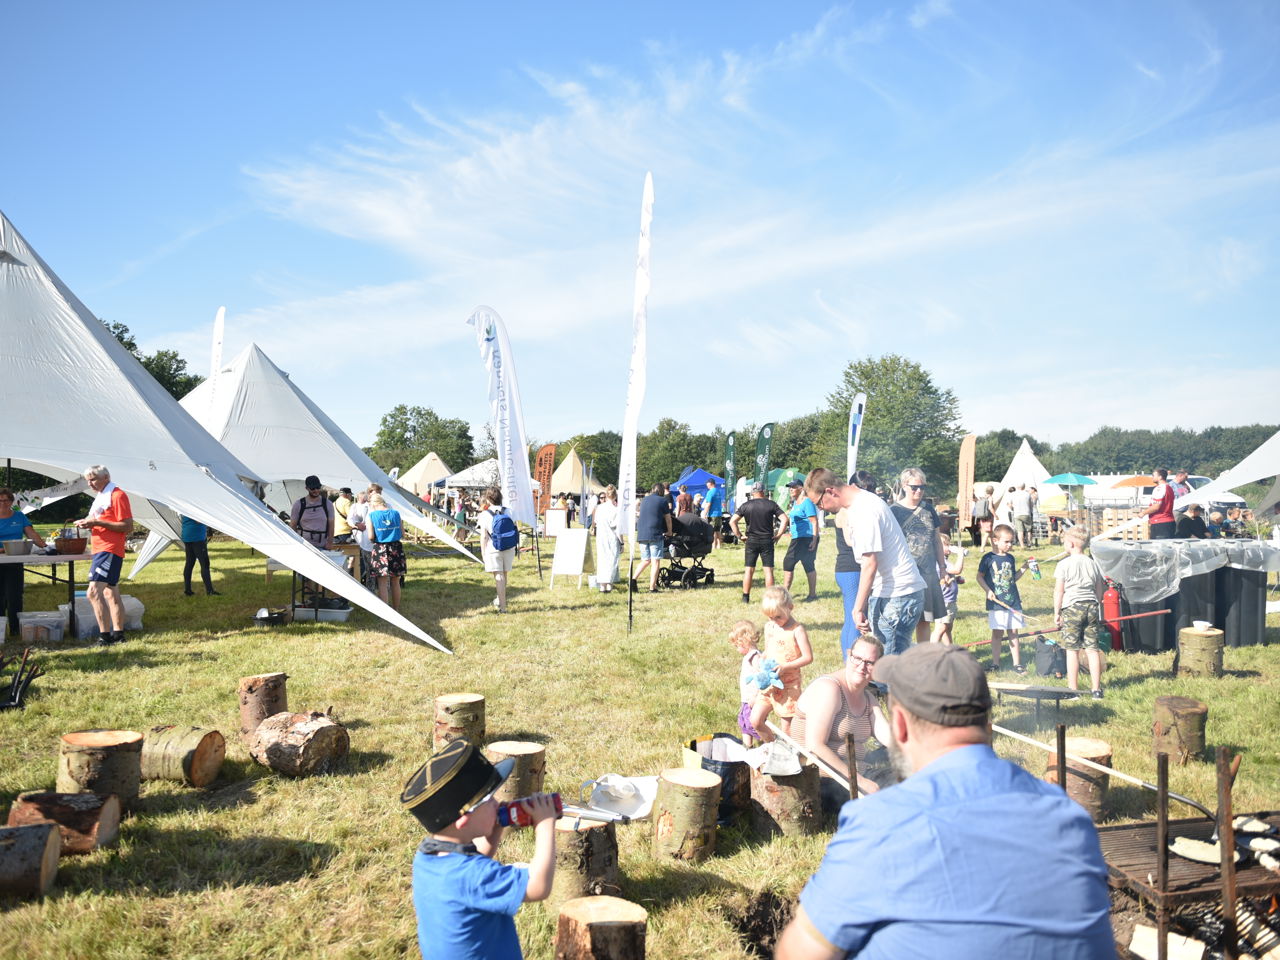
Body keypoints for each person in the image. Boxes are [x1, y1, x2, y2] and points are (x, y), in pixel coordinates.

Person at [775, 644, 1114, 959]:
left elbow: (799, 953)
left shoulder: (879, 823)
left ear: (902, 728)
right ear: (987, 722)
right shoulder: (1070, 819)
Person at [402, 738, 559, 960]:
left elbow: (475, 861)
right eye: (489, 799)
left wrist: (494, 831)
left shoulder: (428, 856)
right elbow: (537, 887)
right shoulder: (471, 875)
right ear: (464, 820)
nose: (497, 802)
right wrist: (544, 824)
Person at [805, 468, 924, 657]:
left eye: (818, 503)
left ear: (830, 491)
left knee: (884, 669)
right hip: (896, 593)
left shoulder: (863, 510)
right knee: (891, 664)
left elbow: (869, 564)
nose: (820, 508)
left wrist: (858, 608)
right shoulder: (861, 503)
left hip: (897, 595)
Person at [791, 636, 894, 814]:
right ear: (848, 655)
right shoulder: (829, 689)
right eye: (857, 659)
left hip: (858, 773)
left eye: (870, 662)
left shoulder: (868, 698)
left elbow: (891, 739)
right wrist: (860, 782)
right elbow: (814, 746)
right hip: (824, 781)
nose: (862, 667)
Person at [73, 465, 134, 645]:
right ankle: (118, 635)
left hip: (109, 549)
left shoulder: (117, 495)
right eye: (88, 480)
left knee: (93, 592)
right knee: (110, 592)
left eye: (93, 479)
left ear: (106, 477)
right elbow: (100, 521)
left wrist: (97, 522)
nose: (90, 484)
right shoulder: (102, 496)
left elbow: (127, 526)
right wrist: (88, 523)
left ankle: (104, 637)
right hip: (101, 548)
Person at [889, 468, 948, 646]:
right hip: (904, 574)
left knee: (925, 618)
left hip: (928, 572)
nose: (919, 491)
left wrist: (943, 568)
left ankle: (923, 657)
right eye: (915, 487)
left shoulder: (928, 509)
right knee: (902, 618)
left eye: (923, 487)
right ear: (904, 486)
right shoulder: (894, 511)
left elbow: (937, 541)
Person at [749, 586, 813, 742]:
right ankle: (773, 747)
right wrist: (761, 660)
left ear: (790, 608)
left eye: (778, 617)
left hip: (789, 686)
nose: (774, 621)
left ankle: (789, 754)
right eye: (770, 617)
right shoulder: (770, 626)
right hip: (769, 684)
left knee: (787, 730)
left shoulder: (796, 630)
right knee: (755, 720)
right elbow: (768, 650)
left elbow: (808, 657)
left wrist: (785, 667)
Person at [1054, 526, 1106, 699]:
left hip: (1072, 608)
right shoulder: (1093, 563)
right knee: (1092, 649)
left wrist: (1057, 612)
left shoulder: (1064, 564)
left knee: (1072, 650)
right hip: (1091, 606)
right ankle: (1096, 690)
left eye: (1064, 542)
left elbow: (1059, 591)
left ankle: (1073, 691)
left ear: (1071, 543)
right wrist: (1097, 603)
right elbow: (1100, 587)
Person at [976, 524, 1030, 673]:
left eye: (1011, 542)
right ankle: (995, 663)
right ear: (995, 540)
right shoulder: (988, 558)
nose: (1009, 545)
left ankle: (1017, 664)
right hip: (997, 603)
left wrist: (1024, 568)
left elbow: (1013, 578)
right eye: (1006, 542)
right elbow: (979, 577)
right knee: (998, 633)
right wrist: (988, 591)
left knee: (1013, 632)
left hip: (1013, 601)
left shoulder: (1010, 558)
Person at [0, 488, 49, 639]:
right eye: (0, 500)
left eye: (6, 500)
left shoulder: (20, 516)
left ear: (12, 502)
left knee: (15, 596)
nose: (3, 503)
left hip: (15, 561)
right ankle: (1, 630)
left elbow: (31, 533)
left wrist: (44, 546)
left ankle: (15, 629)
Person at [731, 481, 787, 605]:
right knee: (768, 571)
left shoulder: (746, 505)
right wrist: (778, 535)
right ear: (764, 491)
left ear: (752, 492)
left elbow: (732, 521)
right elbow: (784, 519)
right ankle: (770, 599)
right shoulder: (771, 504)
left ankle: (745, 598)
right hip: (767, 540)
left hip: (751, 540)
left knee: (749, 570)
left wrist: (740, 536)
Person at [478, 486, 517, 613]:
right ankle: (500, 601)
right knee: (504, 574)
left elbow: (484, 536)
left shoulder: (485, 514)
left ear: (488, 499)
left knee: (498, 576)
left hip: (493, 547)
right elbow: (515, 528)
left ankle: (503, 607)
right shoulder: (509, 511)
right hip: (509, 546)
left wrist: (483, 553)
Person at [782, 480, 820, 602]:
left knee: (791, 562)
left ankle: (786, 594)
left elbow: (814, 521)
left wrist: (814, 540)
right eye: (790, 487)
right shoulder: (795, 503)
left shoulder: (807, 502)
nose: (791, 489)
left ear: (801, 488)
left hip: (806, 537)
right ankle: (808, 594)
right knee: (799, 563)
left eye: (793, 487)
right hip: (798, 537)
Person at [367, 493, 406, 611]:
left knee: (382, 583)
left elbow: (370, 536)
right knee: (396, 581)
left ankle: (386, 612)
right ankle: (396, 609)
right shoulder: (396, 513)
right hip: (396, 548)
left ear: (372, 504)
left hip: (380, 549)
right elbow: (403, 533)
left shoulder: (372, 515)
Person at [831, 511, 862, 659]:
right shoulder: (845, 512)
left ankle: (849, 658)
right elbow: (850, 540)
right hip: (851, 569)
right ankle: (850, 660)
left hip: (849, 569)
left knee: (852, 618)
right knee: (855, 617)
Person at [728, 619, 764, 742]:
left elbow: (763, 678)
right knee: (743, 722)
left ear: (745, 641)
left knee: (752, 724)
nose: (737, 649)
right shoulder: (748, 656)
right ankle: (747, 747)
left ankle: (768, 742)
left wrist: (757, 697)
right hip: (746, 699)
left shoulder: (755, 657)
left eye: (737, 645)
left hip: (753, 699)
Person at [633, 483, 672, 593]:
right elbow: (668, 519)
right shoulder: (663, 501)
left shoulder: (644, 500)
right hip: (655, 533)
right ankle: (652, 587)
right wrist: (669, 532)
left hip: (642, 533)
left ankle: (633, 579)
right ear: (661, 491)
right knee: (655, 561)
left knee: (646, 560)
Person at [930, 533, 965, 645]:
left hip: (949, 600)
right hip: (943, 601)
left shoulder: (944, 561)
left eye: (949, 544)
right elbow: (956, 569)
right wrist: (960, 554)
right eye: (945, 545)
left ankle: (949, 651)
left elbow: (949, 576)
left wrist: (955, 580)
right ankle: (928, 653)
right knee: (940, 628)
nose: (949, 547)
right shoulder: (941, 562)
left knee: (947, 628)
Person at [179, 515, 219, 597]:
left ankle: (188, 590)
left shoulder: (184, 505)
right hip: (197, 538)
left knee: (189, 563)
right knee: (204, 564)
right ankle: (210, 591)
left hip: (187, 536)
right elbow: (199, 519)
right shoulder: (193, 506)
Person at [290, 475, 334, 550]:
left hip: (322, 546)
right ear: (307, 488)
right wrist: (295, 543)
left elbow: (331, 525)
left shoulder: (328, 504)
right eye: (313, 488)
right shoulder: (298, 504)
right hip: (304, 546)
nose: (316, 490)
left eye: (318, 487)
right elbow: (293, 526)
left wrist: (330, 542)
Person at [592, 485, 621, 593]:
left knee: (602, 560)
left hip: (601, 537)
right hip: (612, 537)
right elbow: (618, 528)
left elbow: (596, 522)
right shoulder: (616, 509)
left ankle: (602, 585)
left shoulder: (600, 508)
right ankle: (609, 583)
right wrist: (622, 542)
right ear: (615, 496)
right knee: (612, 561)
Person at [348, 490, 373, 586]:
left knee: (366, 561)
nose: (364, 500)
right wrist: (357, 524)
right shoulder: (354, 506)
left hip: (368, 538)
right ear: (358, 498)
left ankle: (365, 580)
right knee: (356, 559)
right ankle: (354, 578)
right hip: (358, 536)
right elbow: (350, 519)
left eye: (365, 498)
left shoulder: (369, 506)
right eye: (362, 498)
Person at [1145, 467, 1176, 540]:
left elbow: (1156, 507)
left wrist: (1143, 513)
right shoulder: (1169, 487)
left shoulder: (1160, 488)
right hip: (1168, 521)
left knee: (1158, 547)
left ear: (1160, 477)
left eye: (1153, 475)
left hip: (1160, 521)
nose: (1152, 477)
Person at [702, 478, 725, 549]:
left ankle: (714, 546)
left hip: (713, 514)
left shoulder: (710, 492)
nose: (707, 486)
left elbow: (708, 504)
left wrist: (704, 513)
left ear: (710, 483)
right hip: (719, 513)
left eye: (707, 485)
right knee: (718, 530)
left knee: (713, 531)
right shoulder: (718, 491)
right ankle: (719, 545)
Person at [971, 484, 995, 548]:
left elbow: (975, 499)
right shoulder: (990, 498)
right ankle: (982, 547)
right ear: (992, 491)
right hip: (988, 517)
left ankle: (994, 546)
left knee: (990, 533)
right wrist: (995, 515)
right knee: (987, 533)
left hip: (981, 517)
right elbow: (990, 508)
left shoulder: (982, 498)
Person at [1009, 483, 1033, 548]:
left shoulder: (1013, 494)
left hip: (1017, 514)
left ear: (1017, 487)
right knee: (1028, 530)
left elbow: (1010, 505)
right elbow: (1031, 505)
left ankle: (1022, 545)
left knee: (1020, 531)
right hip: (1026, 513)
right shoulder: (1028, 494)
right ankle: (1029, 543)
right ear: (1024, 487)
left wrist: (1012, 508)